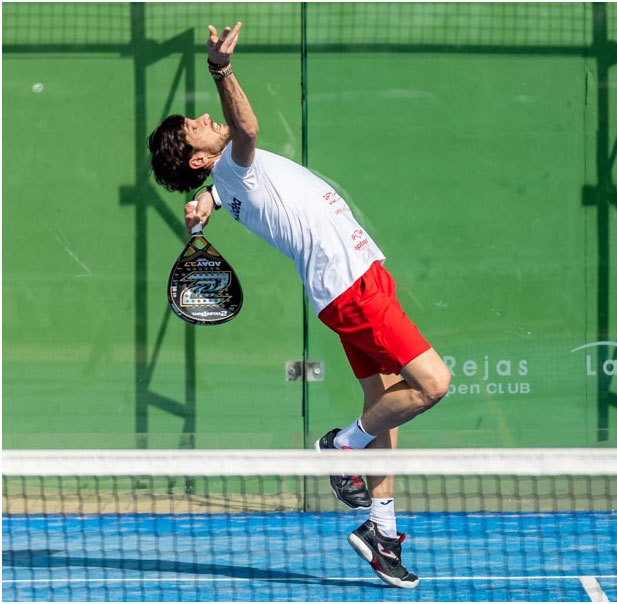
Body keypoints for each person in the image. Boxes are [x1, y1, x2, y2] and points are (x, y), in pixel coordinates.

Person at [147, 22, 450, 589]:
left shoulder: (227, 182)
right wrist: (221, 70)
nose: (205, 118)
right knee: (433, 383)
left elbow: (231, 180)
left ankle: (380, 529)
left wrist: (207, 199)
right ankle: (341, 446)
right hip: (352, 287)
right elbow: (247, 127)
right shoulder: (233, 166)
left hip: (350, 284)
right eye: (195, 127)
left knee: (387, 400)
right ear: (198, 159)